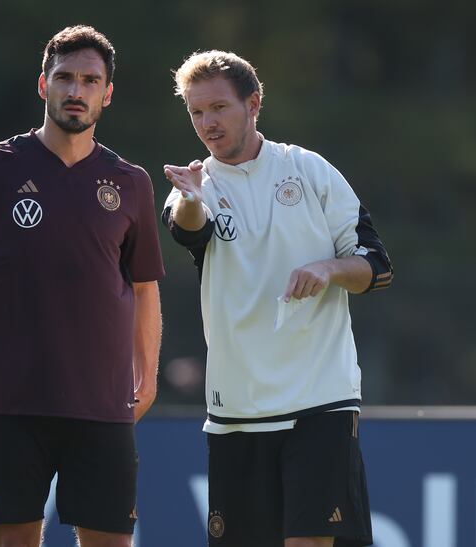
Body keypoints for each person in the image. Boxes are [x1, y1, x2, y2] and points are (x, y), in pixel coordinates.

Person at [0, 26, 164, 547]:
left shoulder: (131, 181)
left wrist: (149, 373)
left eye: (90, 81)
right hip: (10, 402)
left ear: (107, 93)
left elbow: (143, 289)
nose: (77, 91)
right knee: (11, 542)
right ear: (43, 85)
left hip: (102, 405)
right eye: (65, 78)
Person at [162, 51, 392, 547]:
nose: (208, 123)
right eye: (197, 112)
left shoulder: (308, 169)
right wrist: (192, 199)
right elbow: (188, 230)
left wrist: (328, 268)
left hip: (320, 399)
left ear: (253, 104)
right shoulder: (193, 187)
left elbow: (375, 265)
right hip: (236, 410)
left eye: (219, 107)